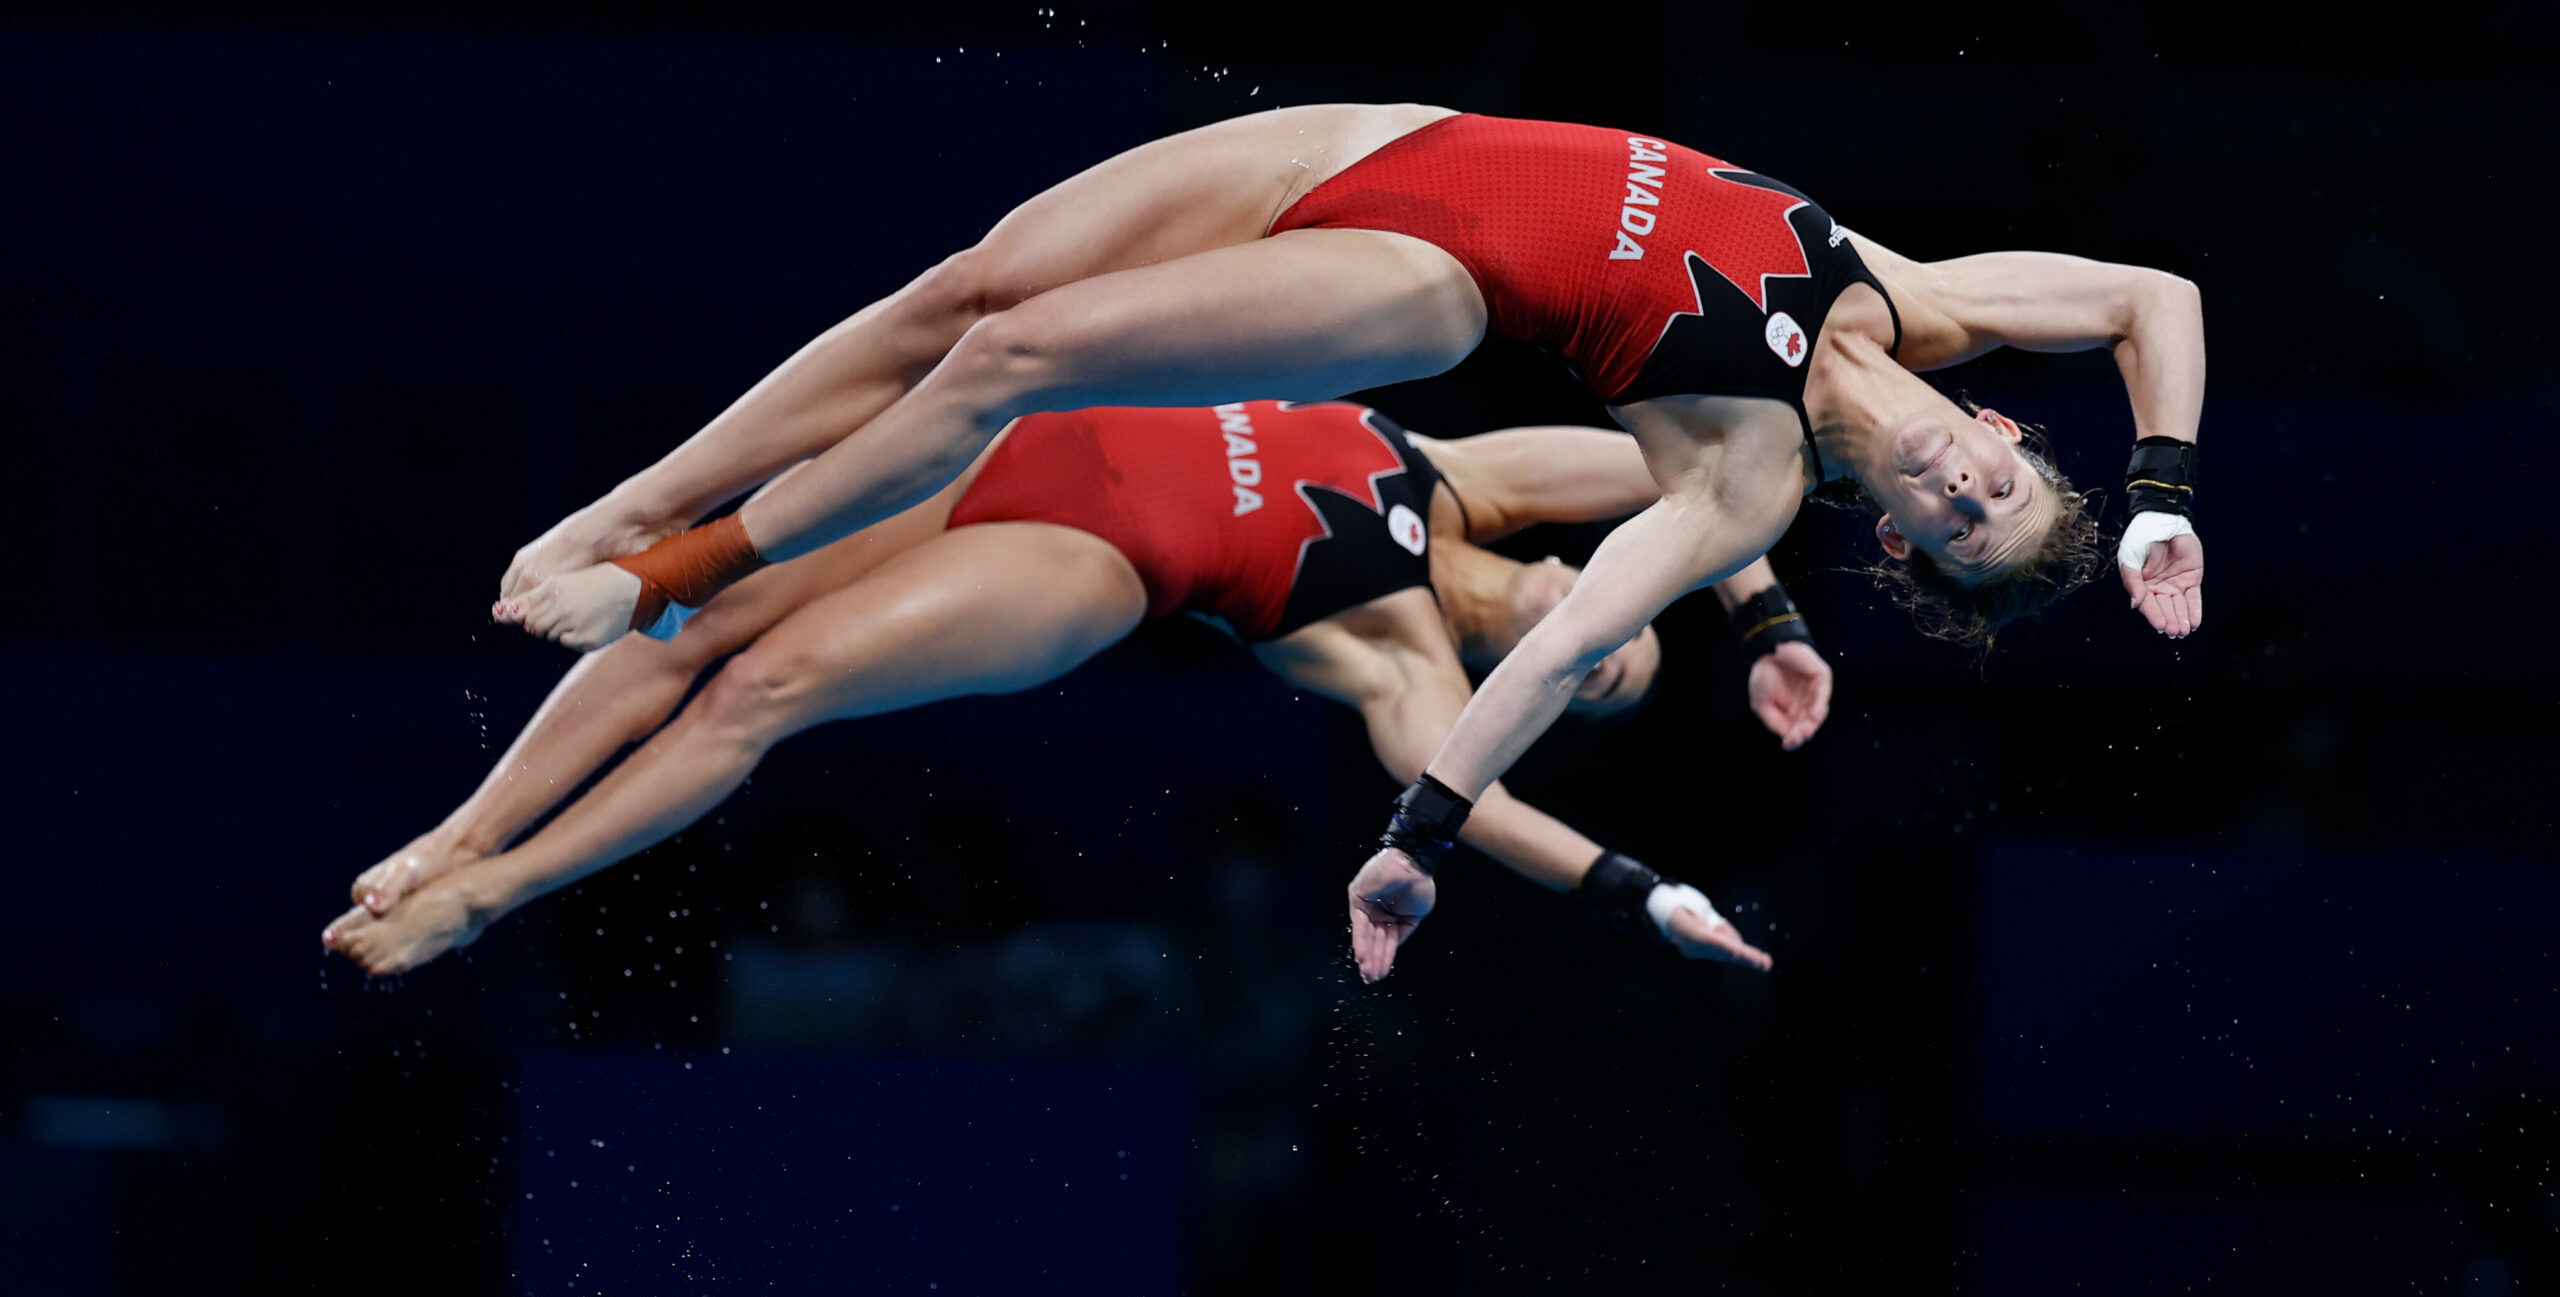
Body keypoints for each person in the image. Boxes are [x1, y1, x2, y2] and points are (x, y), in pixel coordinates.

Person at [485, 107, 2203, 674]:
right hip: (1396, 134)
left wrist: (1754, 641)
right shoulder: (1930, 301)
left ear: (1903, 539)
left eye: (1957, 532)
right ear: (2003, 424)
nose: (1965, 491)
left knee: (1013, 361)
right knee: (973, 282)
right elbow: (2157, 293)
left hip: (1425, 282)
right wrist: (2158, 502)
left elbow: (1583, 611)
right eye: (2002, 482)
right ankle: (633, 505)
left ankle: (680, 577)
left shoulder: (1746, 479)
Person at [323, 404, 1835, 976]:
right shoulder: (1475, 473)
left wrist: (1641, 891)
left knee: (765, 684)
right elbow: (1705, 475)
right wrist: (1758, 601)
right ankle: (463, 832)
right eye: (1621, 620)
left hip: (1093, 559)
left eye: (1597, 678)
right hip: (1031, 441)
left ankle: (491, 894)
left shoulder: (1404, 662)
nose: (1592, 638)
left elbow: (1472, 805)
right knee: (685, 603)